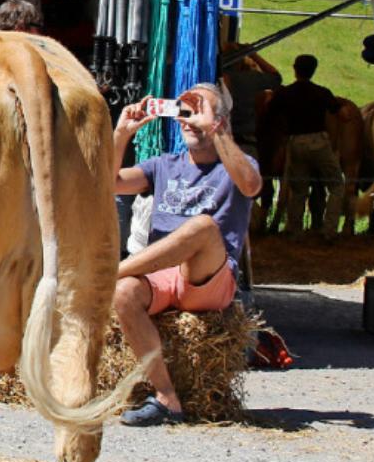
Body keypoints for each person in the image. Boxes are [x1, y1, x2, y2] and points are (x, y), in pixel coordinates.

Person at [112, 83, 262, 427]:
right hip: (162, 277)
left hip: (209, 279)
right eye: (184, 111)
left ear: (220, 119)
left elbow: (251, 186)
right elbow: (108, 183)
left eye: (199, 111)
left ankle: (112, 272)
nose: (189, 120)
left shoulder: (238, 164)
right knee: (124, 293)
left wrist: (218, 131)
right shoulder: (165, 164)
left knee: (203, 228)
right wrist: (121, 133)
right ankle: (166, 398)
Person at [267, 53, 345, 237]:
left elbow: (270, 112)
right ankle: (329, 230)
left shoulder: (285, 93)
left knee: (298, 189)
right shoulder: (322, 92)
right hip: (319, 141)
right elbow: (341, 114)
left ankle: (295, 231)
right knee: (336, 186)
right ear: (314, 70)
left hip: (296, 143)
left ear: (295, 70)